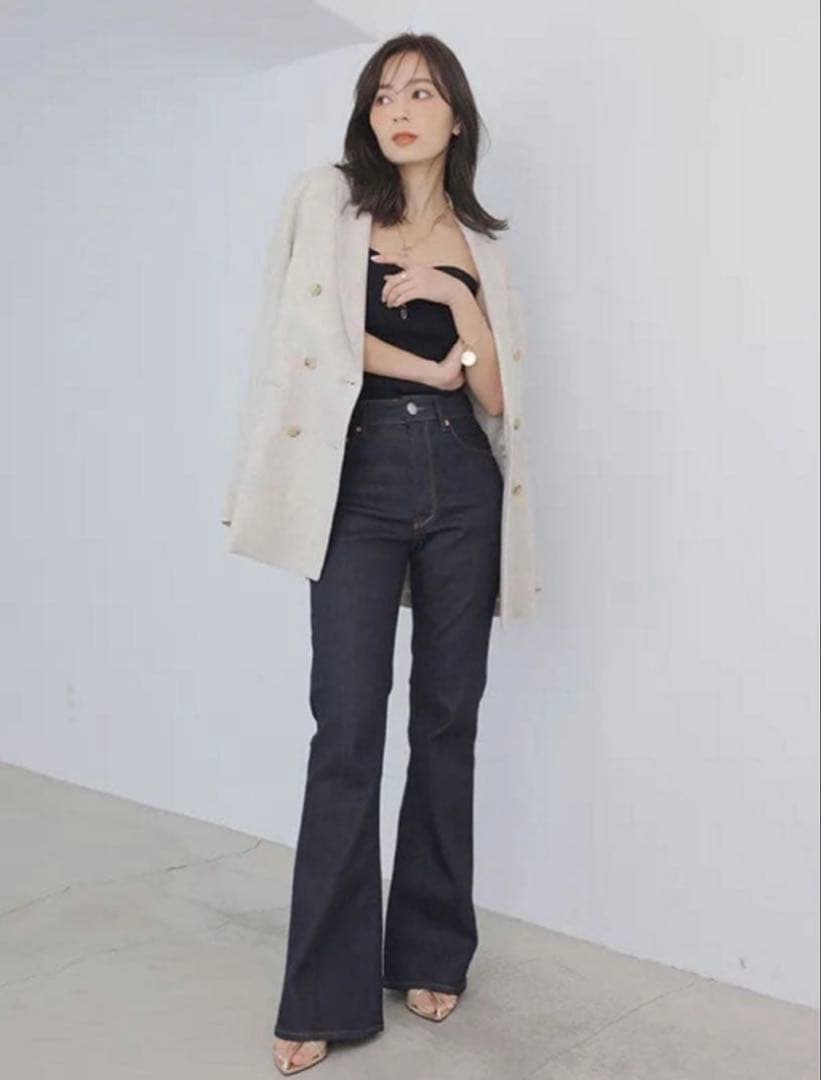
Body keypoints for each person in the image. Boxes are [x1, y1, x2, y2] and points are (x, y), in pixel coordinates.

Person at [224, 31, 537, 1077]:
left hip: (460, 483)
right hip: (355, 476)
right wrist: (425, 363)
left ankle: (431, 950)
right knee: (347, 729)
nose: (399, 110)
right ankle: (323, 990)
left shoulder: (481, 243)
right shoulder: (327, 203)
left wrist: (456, 300)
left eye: (421, 93)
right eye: (383, 94)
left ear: (456, 117)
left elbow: (495, 392)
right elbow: (299, 335)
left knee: (448, 722)